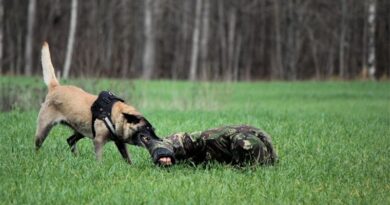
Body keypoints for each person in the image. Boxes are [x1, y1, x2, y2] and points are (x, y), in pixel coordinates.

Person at [139, 125, 278, 166]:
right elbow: (176, 140)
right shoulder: (210, 139)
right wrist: (162, 152)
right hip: (200, 152)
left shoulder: (267, 155)